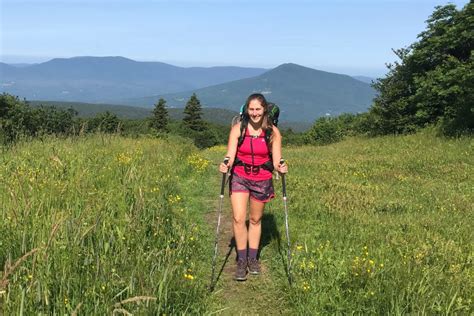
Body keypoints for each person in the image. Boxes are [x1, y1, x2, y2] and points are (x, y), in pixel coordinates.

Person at [219, 93, 288, 281]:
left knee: (255, 220)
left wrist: (281, 167)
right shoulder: (238, 129)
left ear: (264, 109)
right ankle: (242, 261)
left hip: (262, 178)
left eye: (258, 109)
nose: (255, 113)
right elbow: (230, 155)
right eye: (251, 109)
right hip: (240, 176)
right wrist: (226, 164)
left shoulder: (272, 133)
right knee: (238, 218)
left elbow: (276, 161)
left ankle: (252, 258)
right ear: (246, 110)